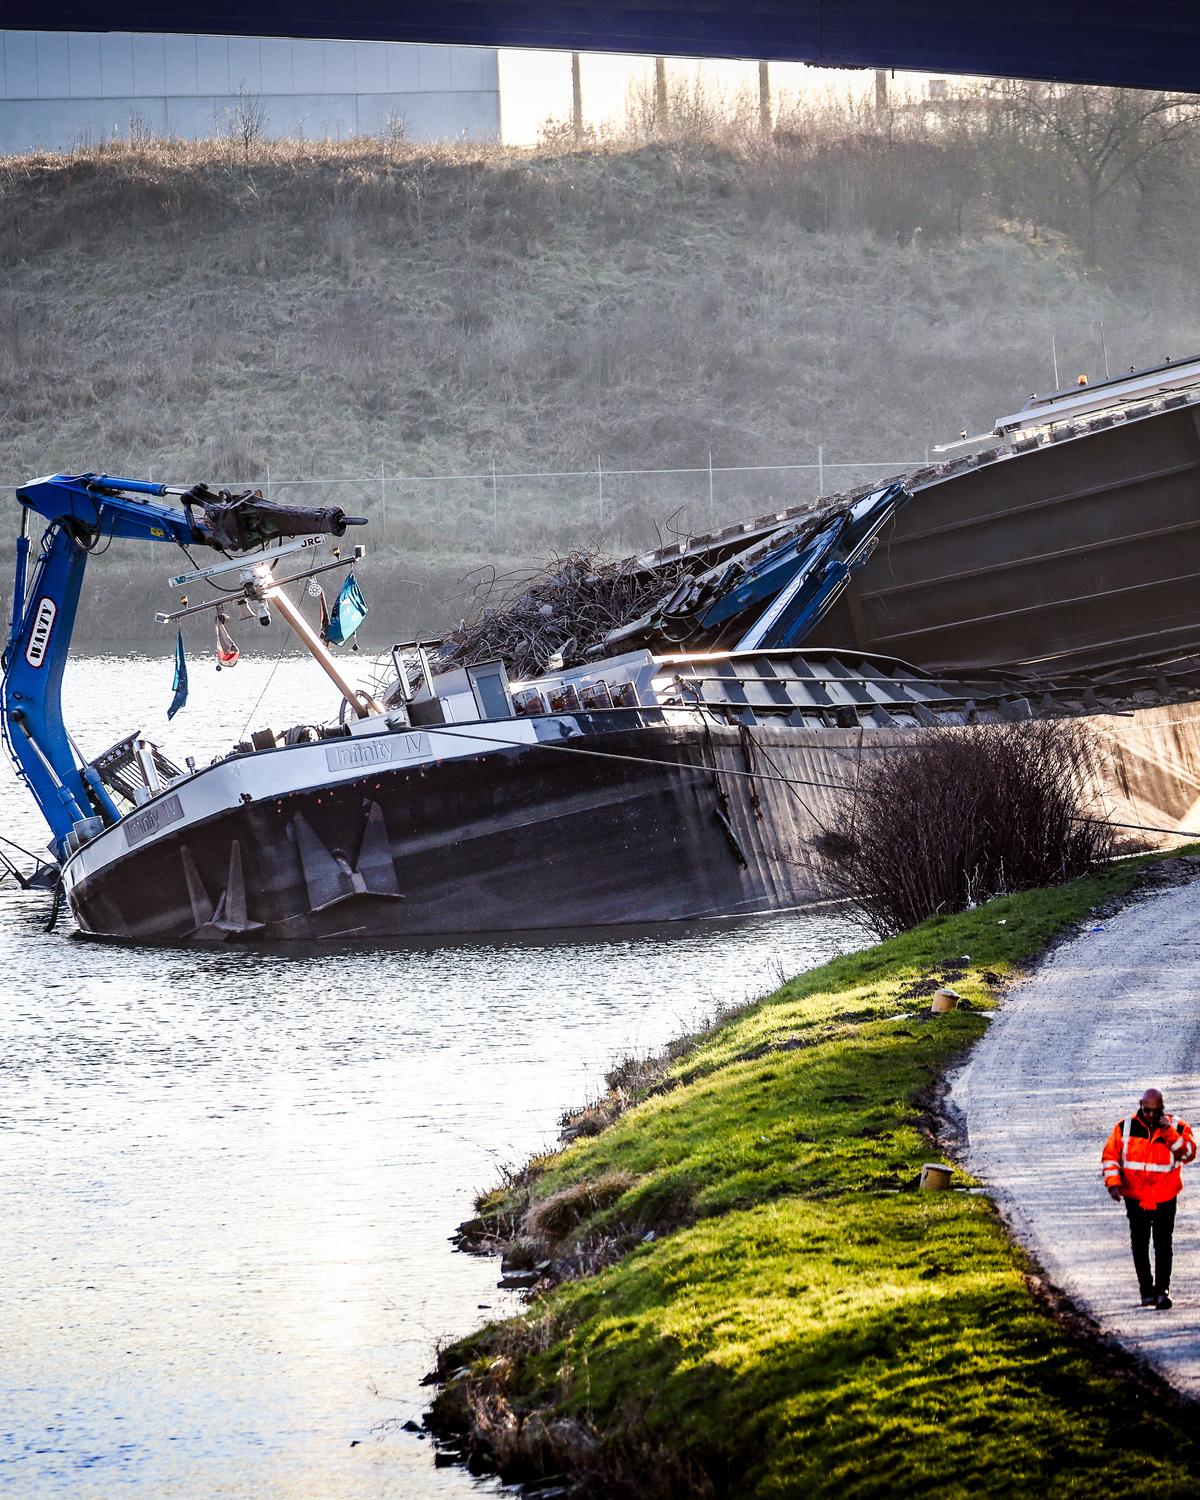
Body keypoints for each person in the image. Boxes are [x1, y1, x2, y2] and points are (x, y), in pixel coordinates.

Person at [1102, 1089, 1195, 1309]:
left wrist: (1169, 1132)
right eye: (1147, 1110)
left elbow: (1188, 1154)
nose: (1151, 1115)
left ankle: (1162, 1291)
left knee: (1163, 1245)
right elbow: (1110, 1157)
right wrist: (1113, 1184)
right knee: (1140, 1244)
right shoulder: (1124, 1127)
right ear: (1140, 1105)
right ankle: (1146, 1290)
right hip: (1136, 1197)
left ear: (1162, 1108)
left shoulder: (1177, 1127)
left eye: (1156, 1111)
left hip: (1165, 1196)